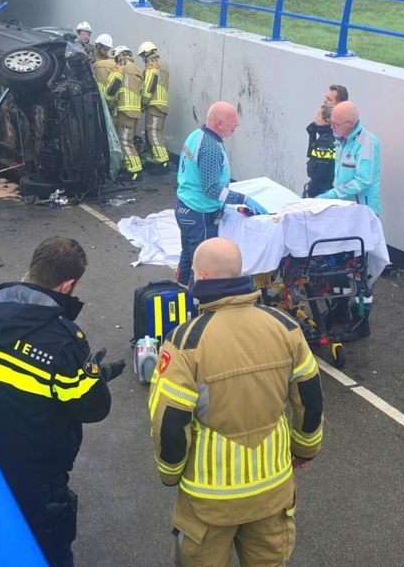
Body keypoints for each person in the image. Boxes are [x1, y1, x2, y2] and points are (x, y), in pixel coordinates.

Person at [0, 236, 124, 567]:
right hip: (33, 480)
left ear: (33, 268)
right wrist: (94, 373)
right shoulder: (64, 343)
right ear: (67, 285)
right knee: (46, 550)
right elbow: (94, 408)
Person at [150, 237, 323, 567]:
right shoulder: (285, 327)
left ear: (199, 278)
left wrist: (169, 473)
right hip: (272, 491)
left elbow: (169, 422)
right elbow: (310, 398)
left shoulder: (185, 342)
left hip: (209, 502)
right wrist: (304, 449)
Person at [174, 102, 266, 287]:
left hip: (185, 208)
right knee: (204, 266)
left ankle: (178, 295)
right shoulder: (210, 148)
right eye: (233, 121)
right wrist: (243, 199)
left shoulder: (197, 135)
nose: (237, 125)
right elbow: (212, 190)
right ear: (219, 124)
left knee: (188, 259)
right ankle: (198, 307)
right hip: (200, 215)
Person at [316, 101, 381, 342]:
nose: (330, 126)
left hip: (362, 215)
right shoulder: (341, 140)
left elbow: (363, 181)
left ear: (351, 123)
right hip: (344, 212)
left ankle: (362, 320)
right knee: (341, 263)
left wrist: (333, 194)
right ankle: (340, 308)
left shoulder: (366, 144)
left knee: (359, 269)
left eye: (335, 123)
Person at [104, 45, 144, 180]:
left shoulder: (121, 66)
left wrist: (108, 101)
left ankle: (134, 171)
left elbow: (113, 84)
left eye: (116, 58)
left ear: (120, 56)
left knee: (125, 141)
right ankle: (132, 167)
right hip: (135, 110)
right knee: (129, 140)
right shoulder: (138, 69)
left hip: (125, 109)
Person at [138, 41, 170, 171]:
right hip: (161, 105)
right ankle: (154, 160)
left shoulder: (152, 65)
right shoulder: (162, 65)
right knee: (155, 133)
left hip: (154, 104)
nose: (142, 60)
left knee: (153, 134)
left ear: (147, 53)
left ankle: (162, 162)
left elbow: (150, 84)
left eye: (142, 57)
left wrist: (143, 101)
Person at [304, 103, 336, 198]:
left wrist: (312, 191)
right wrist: (312, 136)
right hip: (328, 187)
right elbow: (313, 156)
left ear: (326, 121)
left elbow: (321, 170)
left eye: (318, 115)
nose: (315, 118)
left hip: (321, 189)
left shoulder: (324, 142)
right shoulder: (332, 137)